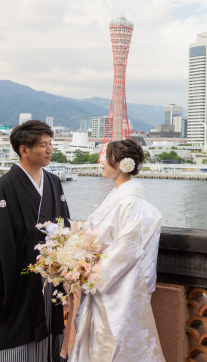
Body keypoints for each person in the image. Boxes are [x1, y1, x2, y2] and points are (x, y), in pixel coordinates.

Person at [0, 120, 71, 362]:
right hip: (15, 281)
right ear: (24, 150)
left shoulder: (54, 182)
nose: (50, 150)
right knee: (13, 337)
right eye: (43, 145)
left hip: (49, 278)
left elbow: (65, 226)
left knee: (50, 333)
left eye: (50, 144)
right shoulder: (2, 187)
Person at [69, 139, 165, 362]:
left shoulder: (130, 202)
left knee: (111, 346)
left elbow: (127, 248)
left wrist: (92, 276)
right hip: (106, 285)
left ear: (122, 165)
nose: (102, 162)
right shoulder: (120, 198)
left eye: (106, 158)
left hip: (117, 287)